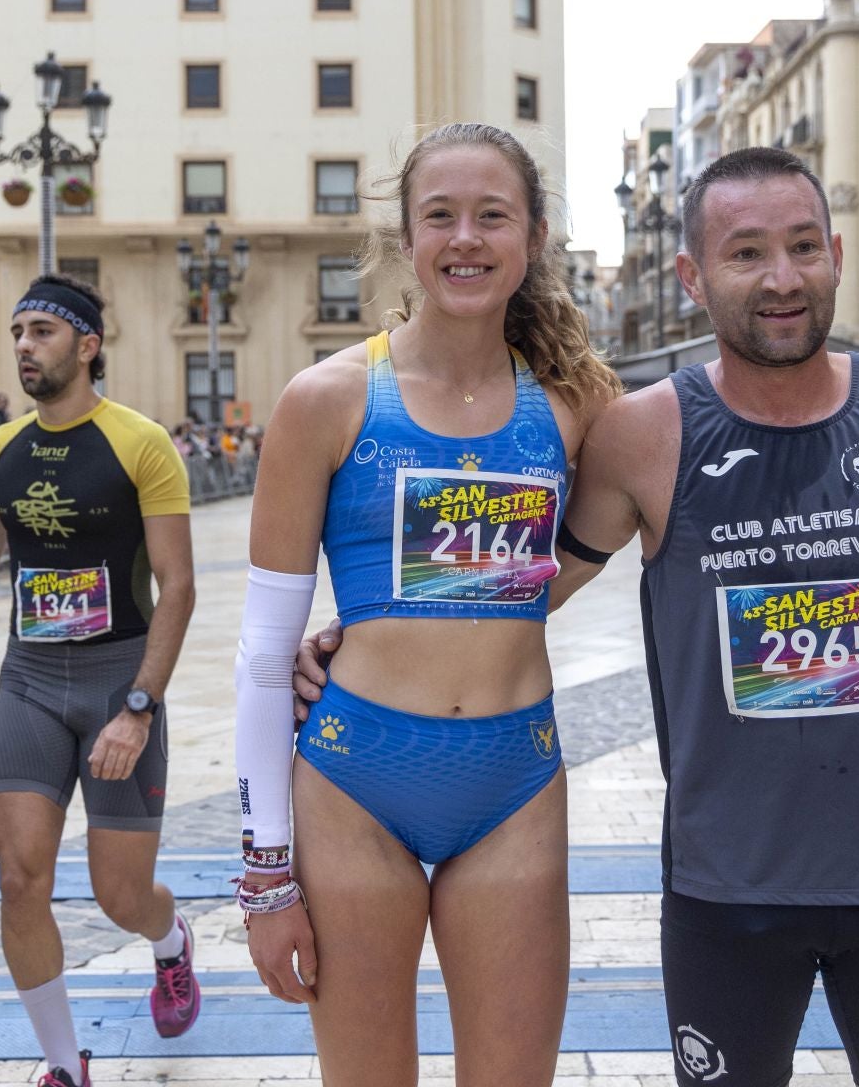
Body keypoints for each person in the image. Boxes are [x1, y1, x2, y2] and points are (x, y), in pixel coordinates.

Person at [294, 146, 859, 1087]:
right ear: (692, 275)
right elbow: (526, 580)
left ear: (837, 254)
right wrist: (354, 641)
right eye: (746, 253)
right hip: (727, 898)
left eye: (804, 247)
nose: (782, 279)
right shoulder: (639, 433)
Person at [234, 122, 616, 1086]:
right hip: (356, 783)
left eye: (494, 216)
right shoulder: (325, 400)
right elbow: (260, 655)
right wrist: (265, 876)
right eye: (439, 216)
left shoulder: (577, 403)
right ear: (405, 239)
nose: (466, 239)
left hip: (514, 786)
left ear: (532, 238)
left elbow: (609, 531)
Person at [0, 274, 200, 1087]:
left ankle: (170, 942)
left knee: (120, 894)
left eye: (42, 330)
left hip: (121, 678)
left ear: (87, 346)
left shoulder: (142, 442)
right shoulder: (0, 449)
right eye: (18, 331)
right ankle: (63, 1066)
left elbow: (178, 585)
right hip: (32, 681)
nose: (24, 346)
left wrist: (140, 709)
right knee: (19, 878)